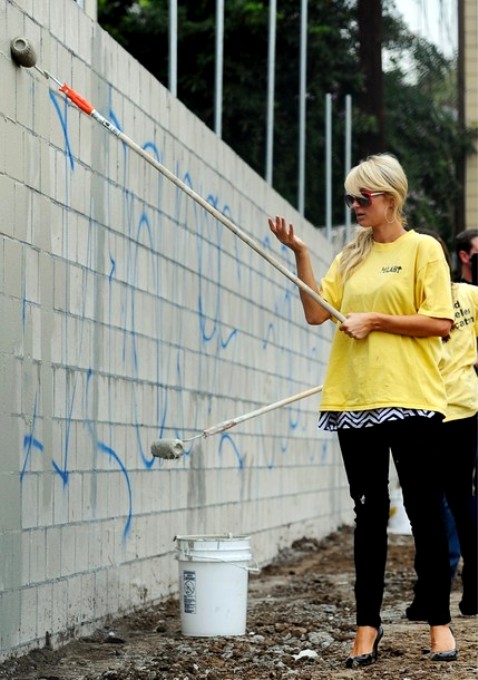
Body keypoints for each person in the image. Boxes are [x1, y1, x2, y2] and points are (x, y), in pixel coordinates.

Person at [268, 153, 457, 667]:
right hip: (354, 401)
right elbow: (315, 312)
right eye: (350, 198)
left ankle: (439, 623)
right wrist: (301, 253)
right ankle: (366, 627)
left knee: (422, 510)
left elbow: (440, 322)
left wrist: (375, 319)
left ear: (390, 198)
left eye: (362, 198)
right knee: (369, 515)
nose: (354, 206)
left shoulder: (424, 250)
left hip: (412, 398)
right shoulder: (348, 257)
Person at [406, 230, 478, 620]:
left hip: (425, 409)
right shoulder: (470, 296)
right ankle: (473, 592)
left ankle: (427, 597)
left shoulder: (411, 300)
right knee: (461, 500)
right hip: (462, 408)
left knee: (428, 505)